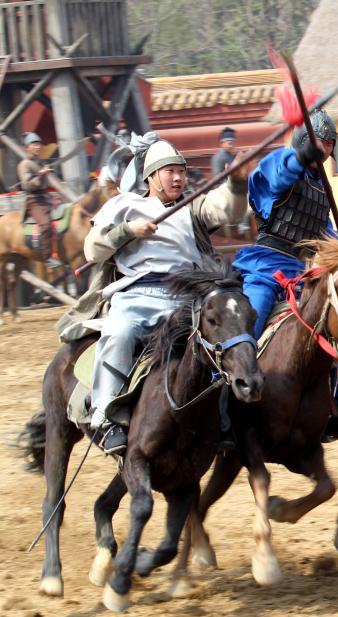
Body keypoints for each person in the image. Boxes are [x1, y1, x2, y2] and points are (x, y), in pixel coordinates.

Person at [83, 138, 250, 455]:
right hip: (137, 295)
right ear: (150, 177)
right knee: (118, 333)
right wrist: (129, 231)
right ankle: (105, 419)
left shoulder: (192, 206)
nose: (177, 178)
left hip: (188, 298)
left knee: (223, 337)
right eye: (169, 172)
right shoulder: (124, 206)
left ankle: (222, 417)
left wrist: (236, 183)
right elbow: (92, 248)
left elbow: (227, 208)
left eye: (181, 172)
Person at [232, 108, 338, 443]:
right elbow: (275, 178)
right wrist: (299, 158)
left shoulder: (321, 187)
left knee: (335, 331)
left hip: (303, 273)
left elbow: (325, 234)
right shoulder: (281, 164)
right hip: (265, 267)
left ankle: (333, 409)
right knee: (251, 324)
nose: (328, 150)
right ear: (305, 143)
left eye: (332, 145)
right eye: (323, 144)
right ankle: (226, 407)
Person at [16, 132, 54, 259]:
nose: (38, 147)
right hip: (34, 201)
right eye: (34, 144)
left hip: (45, 198)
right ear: (27, 147)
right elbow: (27, 185)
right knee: (46, 224)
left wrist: (45, 172)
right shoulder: (24, 165)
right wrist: (41, 175)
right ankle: (47, 257)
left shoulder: (40, 163)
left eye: (38, 144)